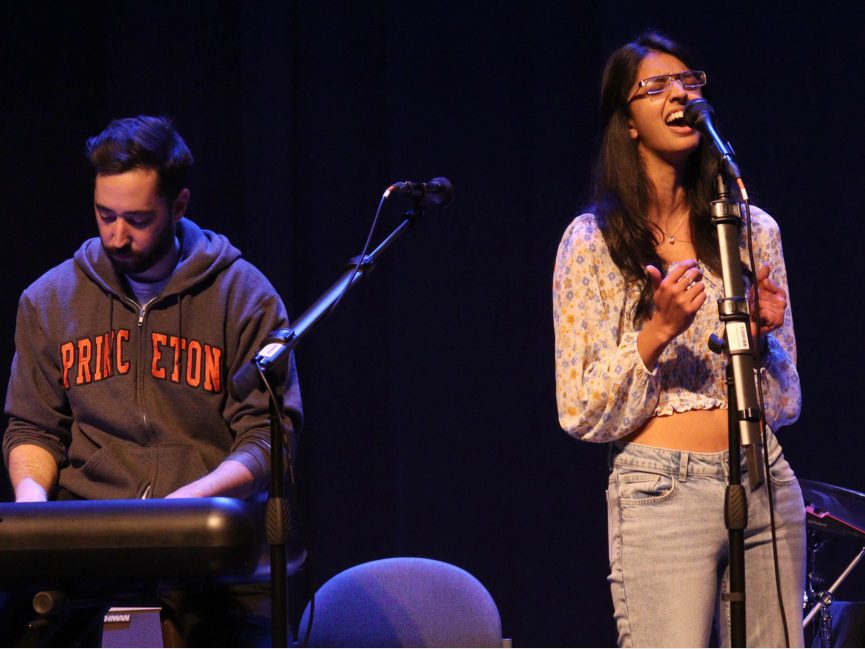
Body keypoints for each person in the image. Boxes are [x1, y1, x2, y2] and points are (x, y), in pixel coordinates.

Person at [1, 115, 302, 646]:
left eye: (137, 219)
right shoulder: (48, 301)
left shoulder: (245, 296)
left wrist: (187, 503)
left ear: (179, 205)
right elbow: (33, 428)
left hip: (209, 566)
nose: (117, 235)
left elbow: (265, 439)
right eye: (104, 214)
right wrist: (31, 510)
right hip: (86, 557)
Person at [553, 32, 805, 647]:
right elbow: (580, 409)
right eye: (658, 86)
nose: (680, 94)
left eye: (690, 82)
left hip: (763, 477)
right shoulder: (592, 243)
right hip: (661, 490)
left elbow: (785, 403)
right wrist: (658, 331)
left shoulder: (750, 230)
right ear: (629, 122)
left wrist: (764, 341)